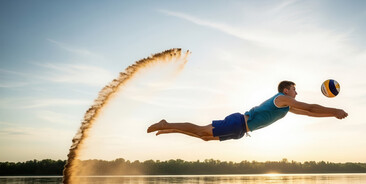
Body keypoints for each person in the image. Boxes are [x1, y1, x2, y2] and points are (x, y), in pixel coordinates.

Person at [147, 80, 348, 141]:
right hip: (238, 122)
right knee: (201, 131)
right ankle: (167, 124)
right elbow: (311, 107)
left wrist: (332, 114)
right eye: (294, 89)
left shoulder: (286, 107)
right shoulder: (281, 99)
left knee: (204, 137)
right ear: (286, 90)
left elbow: (310, 113)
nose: (297, 92)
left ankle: (171, 128)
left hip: (240, 130)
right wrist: (335, 109)